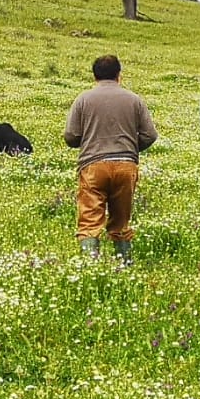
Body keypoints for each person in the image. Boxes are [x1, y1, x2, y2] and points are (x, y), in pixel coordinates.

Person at [63, 54, 158, 263]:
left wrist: (89, 141)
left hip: (93, 165)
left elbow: (70, 136)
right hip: (126, 165)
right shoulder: (134, 99)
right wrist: (131, 149)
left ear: (94, 76)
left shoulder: (83, 99)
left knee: (89, 219)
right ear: (119, 75)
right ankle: (123, 263)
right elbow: (150, 135)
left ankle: (91, 265)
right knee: (121, 220)